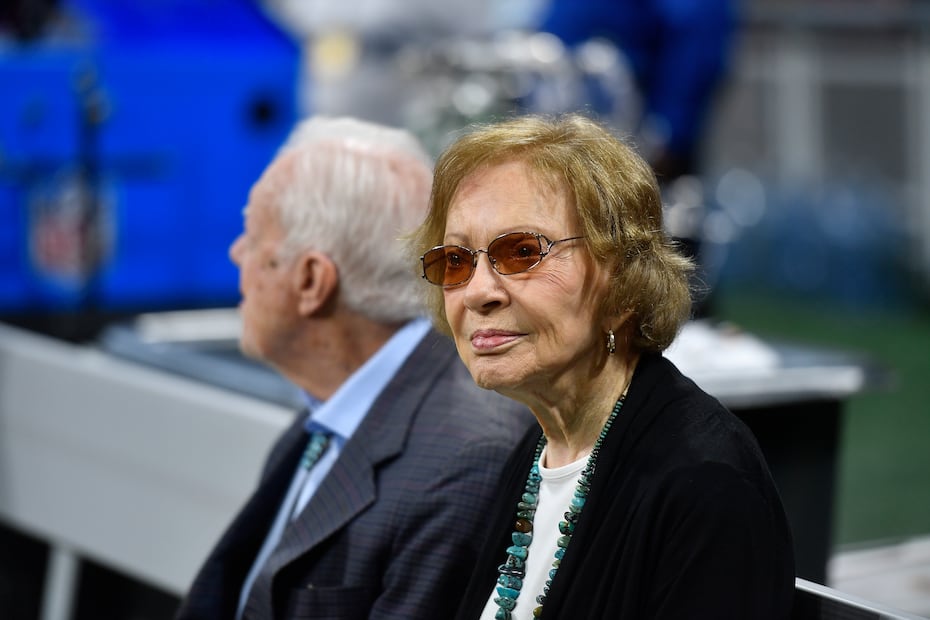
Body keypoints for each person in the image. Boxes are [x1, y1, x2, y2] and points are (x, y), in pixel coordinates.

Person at [412, 113, 795, 619]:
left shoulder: (706, 486)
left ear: (622, 281)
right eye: (456, 261)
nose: (478, 292)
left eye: (523, 251)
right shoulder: (536, 453)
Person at [174, 116, 534, 620]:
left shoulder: (465, 460)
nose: (237, 254)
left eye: (253, 238)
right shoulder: (330, 406)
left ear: (311, 281)